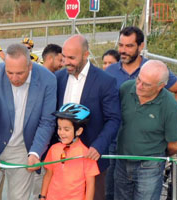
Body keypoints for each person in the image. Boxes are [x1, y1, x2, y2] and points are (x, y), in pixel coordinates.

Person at [0, 43, 57, 199]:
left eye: (20, 73)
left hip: (24, 149)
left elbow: (47, 121)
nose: (14, 78)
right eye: (9, 72)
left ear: (30, 66)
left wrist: (35, 152)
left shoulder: (48, 79)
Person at [56, 35, 121, 200]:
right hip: (63, 161)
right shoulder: (58, 78)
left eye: (72, 58)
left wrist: (98, 146)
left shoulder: (105, 81)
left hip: (92, 160)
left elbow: (114, 119)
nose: (66, 62)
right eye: (64, 57)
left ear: (86, 55)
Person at [113, 60, 177, 200]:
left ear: (161, 86)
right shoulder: (126, 89)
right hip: (122, 160)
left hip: (149, 166)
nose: (139, 86)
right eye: (139, 79)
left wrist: (154, 154)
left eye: (146, 84)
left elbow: (174, 145)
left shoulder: (170, 106)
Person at [103, 26, 177, 106]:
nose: (123, 50)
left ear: (141, 46)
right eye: (121, 45)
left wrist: (165, 117)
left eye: (129, 46)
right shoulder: (110, 71)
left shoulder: (153, 69)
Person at [40, 103, 100, 200]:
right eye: (59, 128)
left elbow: (90, 184)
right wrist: (42, 196)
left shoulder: (86, 154)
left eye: (66, 129)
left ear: (79, 131)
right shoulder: (54, 149)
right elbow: (48, 175)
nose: (61, 133)